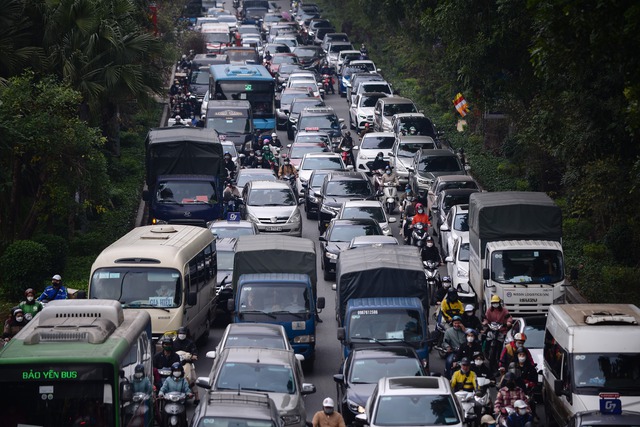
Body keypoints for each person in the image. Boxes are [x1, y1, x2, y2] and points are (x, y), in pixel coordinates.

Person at [173, 327, 200, 404]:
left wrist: (193, 356)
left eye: (183, 334)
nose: (181, 335)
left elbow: (195, 352)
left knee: (193, 379)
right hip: (176, 365)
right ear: (177, 334)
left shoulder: (190, 343)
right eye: (180, 333)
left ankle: (197, 397)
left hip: (188, 364)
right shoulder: (174, 343)